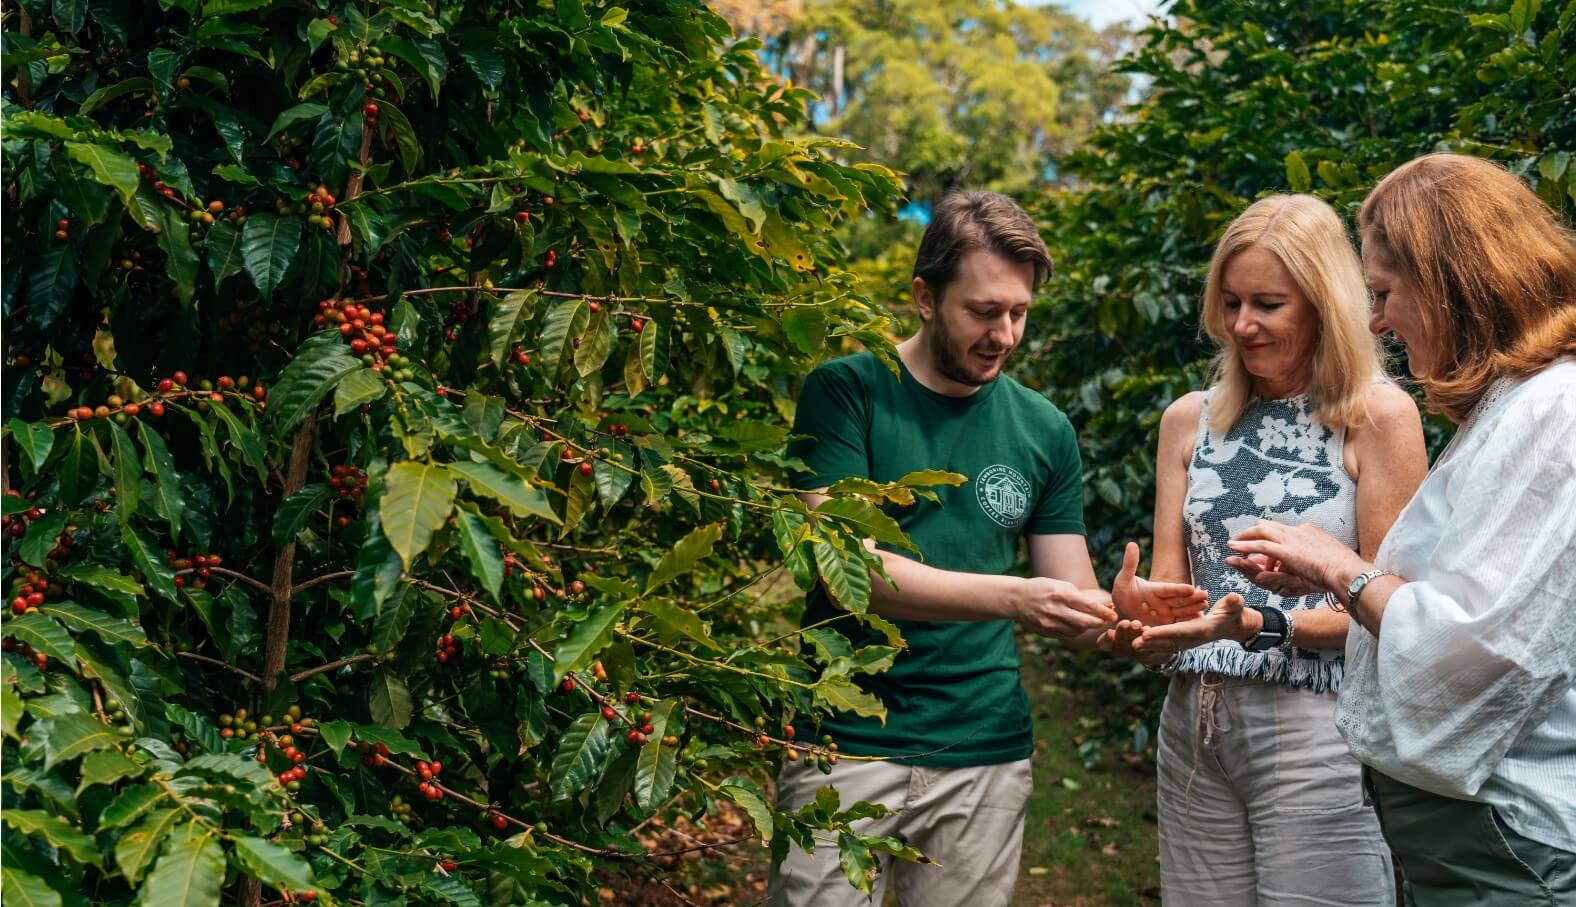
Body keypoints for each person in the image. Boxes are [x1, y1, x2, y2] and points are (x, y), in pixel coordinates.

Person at [766, 191, 1206, 907]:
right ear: (924, 297)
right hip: (845, 739)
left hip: (986, 749)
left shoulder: (1043, 427)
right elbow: (852, 568)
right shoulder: (846, 392)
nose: (1004, 333)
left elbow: (1067, 589)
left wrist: (1115, 610)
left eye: (1019, 313)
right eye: (983, 310)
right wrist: (1013, 597)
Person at [1216, 154, 1576, 904]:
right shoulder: (1518, 401)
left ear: (1448, 280)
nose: (1376, 319)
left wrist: (1341, 567)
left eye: (1383, 292)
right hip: (1470, 836)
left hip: (1511, 838)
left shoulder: (1554, 410)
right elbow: (1460, 599)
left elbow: (1474, 642)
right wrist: (1331, 579)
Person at [1104, 193, 1429, 905]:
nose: (1242, 324)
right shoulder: (1188, 420)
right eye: (1230, 302)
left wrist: (1260, 623)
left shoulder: (1378, 416)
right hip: (1194, 722)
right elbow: (1175, 591)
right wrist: (1142, 612)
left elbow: (1399, 614)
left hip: (1318, 727)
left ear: (1323, 303)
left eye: (1268, 304)